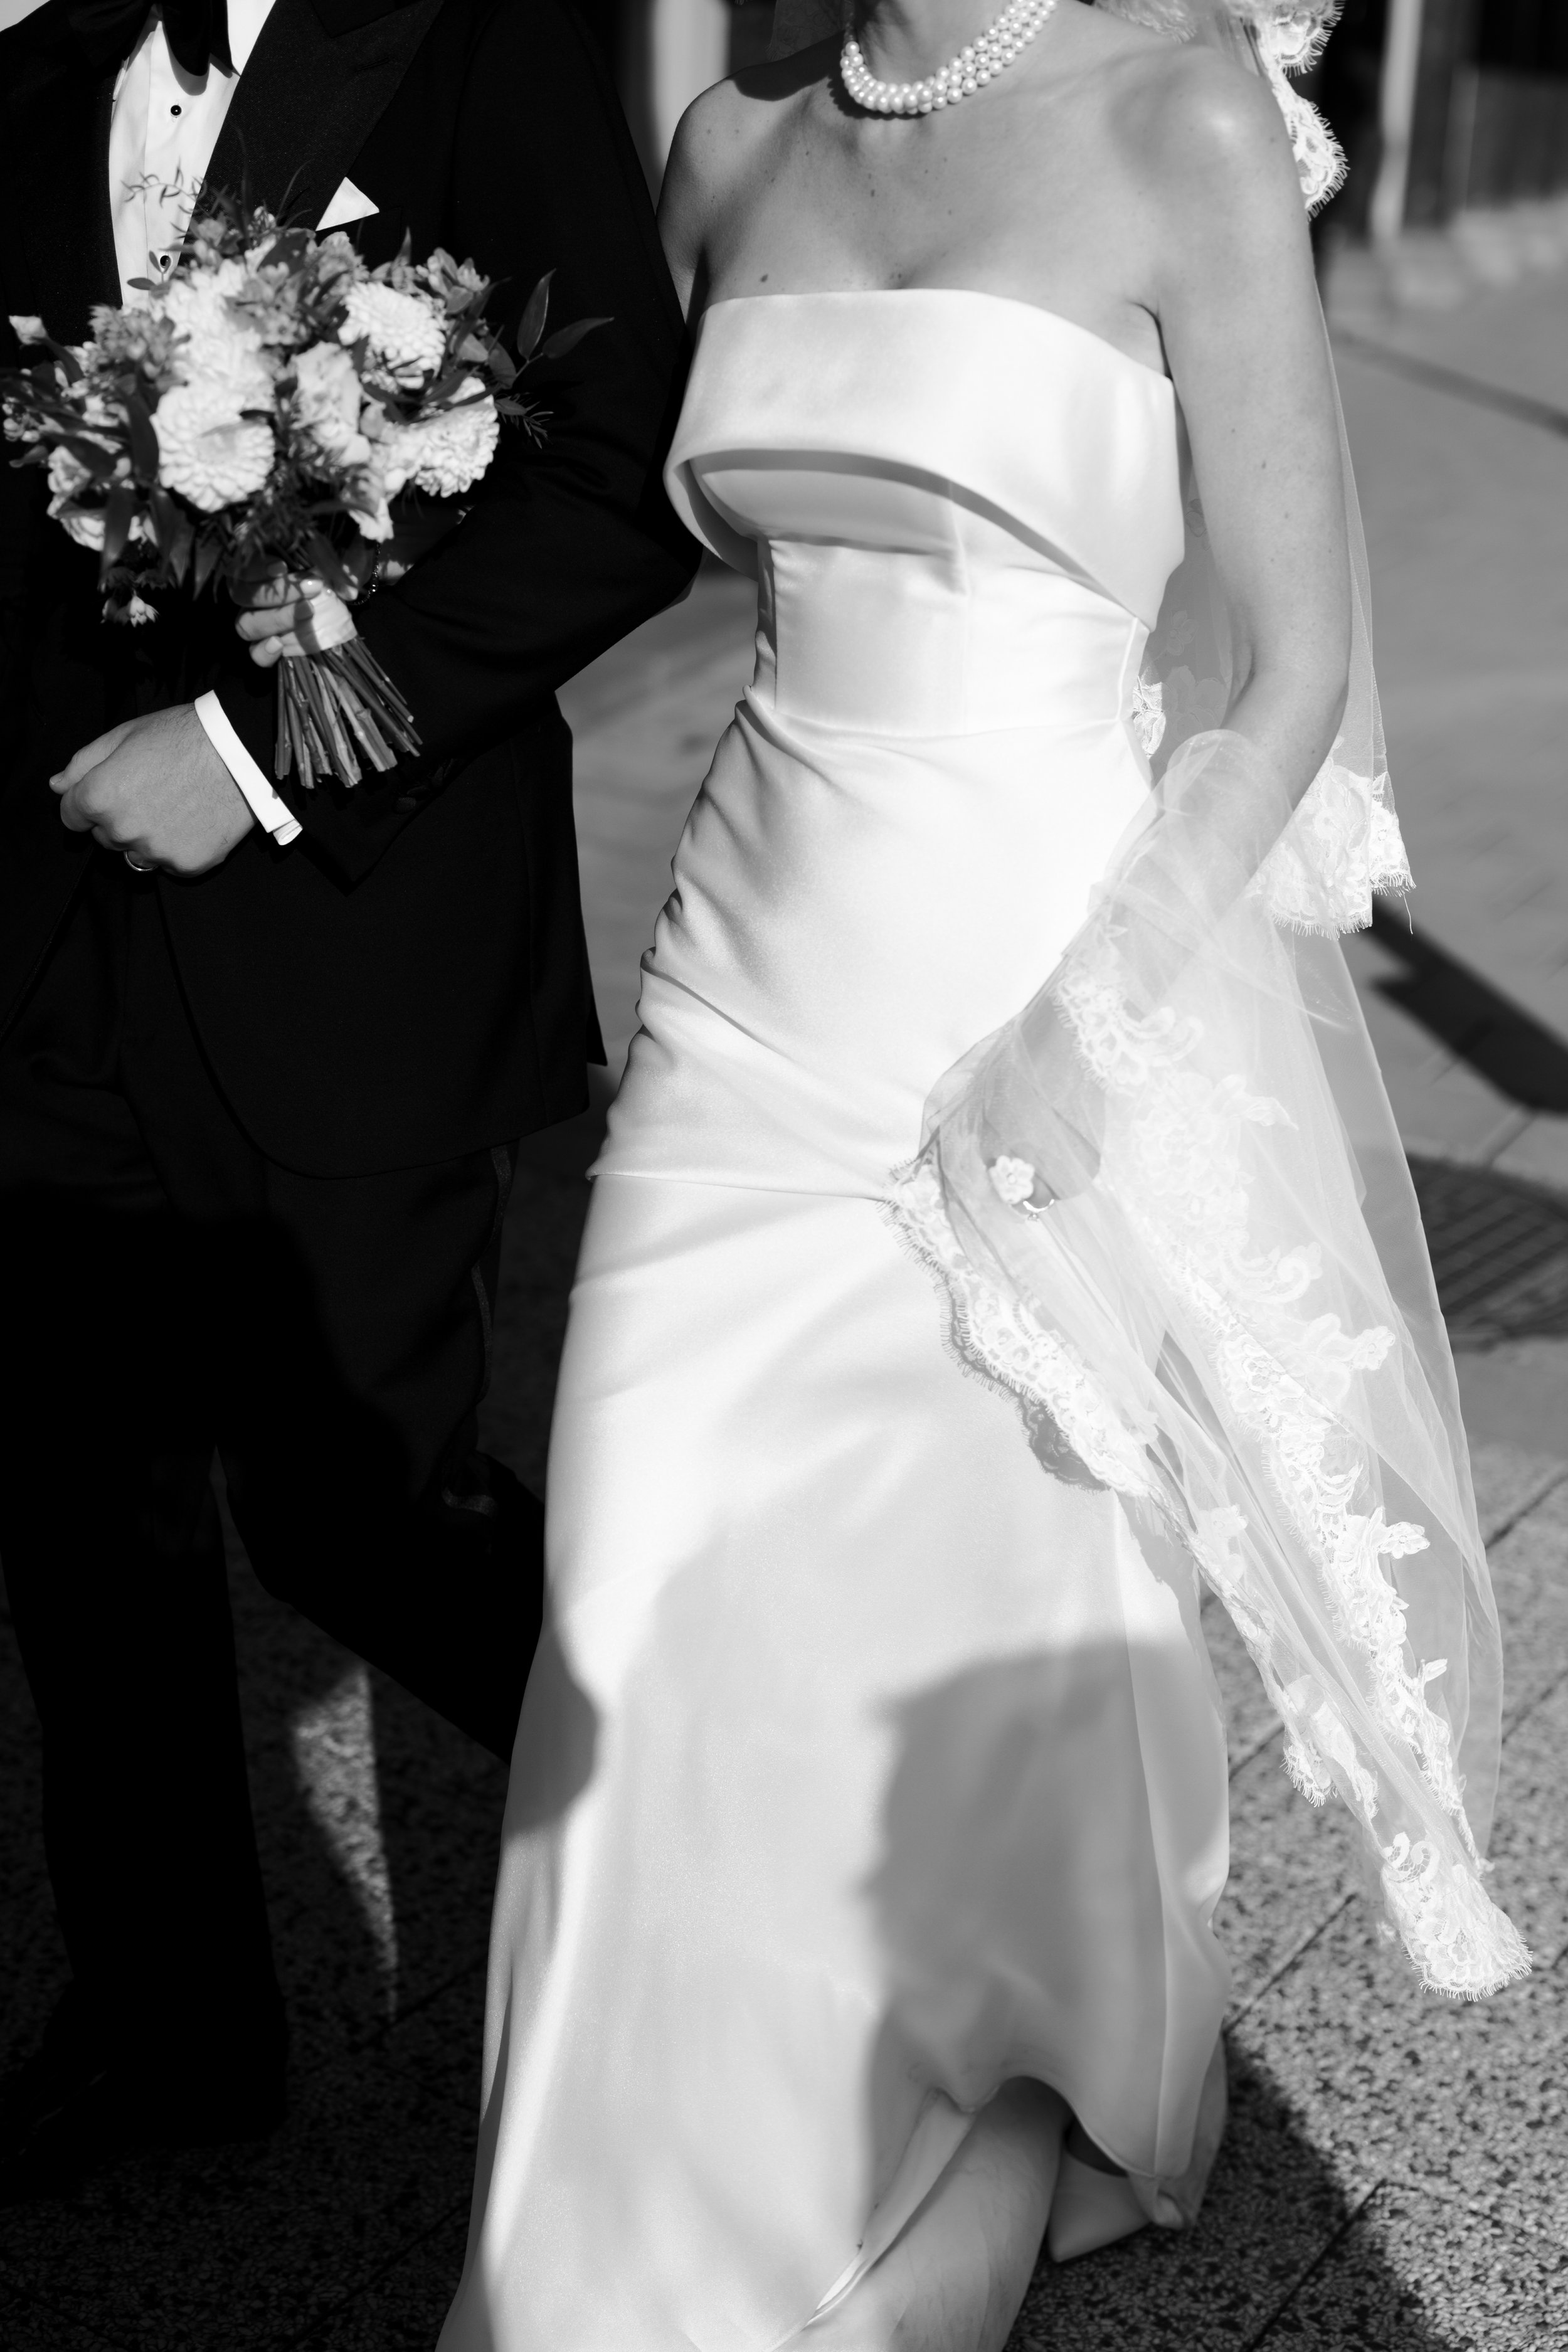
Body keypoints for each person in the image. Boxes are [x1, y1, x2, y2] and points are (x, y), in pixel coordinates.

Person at [437, 1, 1527, 2345]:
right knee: (630, 1588)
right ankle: (597, 2250)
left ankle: (964, 2067)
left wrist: (1086, 1024)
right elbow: (607, 513)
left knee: (954, 1605)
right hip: (740, 980)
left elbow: (1290, 669)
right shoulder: (728, 145)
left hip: (1025, 990)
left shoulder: (1179, 110)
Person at [0, 0, 697, 2188]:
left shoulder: (474, 42)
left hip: (348, 925)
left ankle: (742, 1880)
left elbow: (617, 486)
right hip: (40, 935)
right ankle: (170, 2032)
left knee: (361, 1513)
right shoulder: (29, 66)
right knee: (78, 1509)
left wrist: (254, 753)